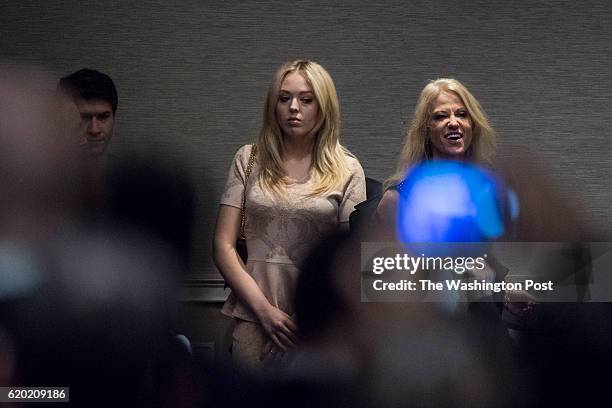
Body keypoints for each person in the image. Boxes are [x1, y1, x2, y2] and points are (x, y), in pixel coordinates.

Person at [212, 60, 366, 369]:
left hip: (320, 320)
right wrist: (267, 314)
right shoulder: (249, 158)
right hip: (255, 312)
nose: (293, 107)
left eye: (306, 100)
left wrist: (302, 319)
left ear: (323, 106)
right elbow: (223, 246)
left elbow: (351, 257)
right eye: (284, 98)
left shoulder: (348, 168)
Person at [376, 78, 496, 229]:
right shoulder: (397, 201)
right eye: (441, 116)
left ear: (473, 124)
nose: (453, 123)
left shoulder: (494, 188)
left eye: (462, 114)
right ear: (425, 130)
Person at [57, 68, 118, 161]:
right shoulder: (38, 173)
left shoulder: (132, 174)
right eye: (84, 118)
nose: (94, 130)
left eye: (103, 117)